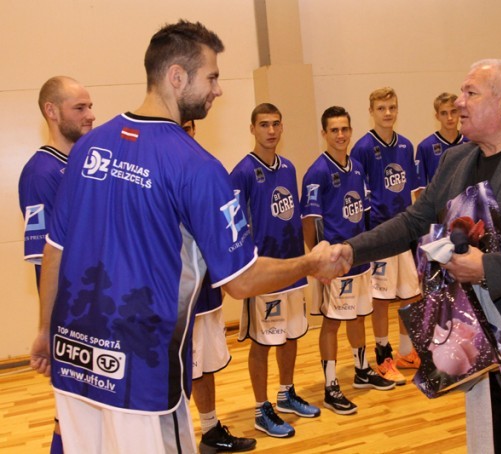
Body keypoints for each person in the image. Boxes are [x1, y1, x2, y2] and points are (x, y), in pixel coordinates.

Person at [29, 20, 342, 453]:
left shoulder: (88, 147)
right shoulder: (198, 167)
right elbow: (242, 280)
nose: (218, 90)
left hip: (75, 362)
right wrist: (311, 263)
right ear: (177, 76)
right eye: (211, 77)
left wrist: (45, 330)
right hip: (142, 378)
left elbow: (55, 249)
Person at [331, 59, 501, 453]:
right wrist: (350, 250)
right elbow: (413, 221)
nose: (459, 102)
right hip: (472, 335)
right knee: (497, 442)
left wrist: (487, 268)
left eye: (470, 93)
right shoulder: (456, 160)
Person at [231, 103, 320, 439]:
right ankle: (260, 409)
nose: (271, 130)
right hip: (263, 273)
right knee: (262, 342)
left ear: (282, 127)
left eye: (276, 124)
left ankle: (286, 393)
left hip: (291, 266)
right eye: (264, 124)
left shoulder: (289, 168)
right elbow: (235, 225)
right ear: (252, 128)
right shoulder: (241, 172)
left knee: (291, 334)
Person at [301, 106, 395, 415]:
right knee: (332, 322)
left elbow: (365, 213)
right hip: (334, 264)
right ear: (324, 133)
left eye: (345, 129)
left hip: (358, 259)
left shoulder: (356, 167)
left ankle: (361, 370)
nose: (340, 135)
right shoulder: (317, 173)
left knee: (358, 316)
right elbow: (310, 222)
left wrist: (366, 250)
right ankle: (330, 387)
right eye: (334, 130)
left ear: (351, 131)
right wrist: (319, 260)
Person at [18, 75, 95, 454]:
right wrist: (48, 328)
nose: (90, 115)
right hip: (73, 316)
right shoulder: (40, 173)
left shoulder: (84, 164)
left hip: (100, 308)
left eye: (90, 106)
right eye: (79, 107)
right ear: (51, 111)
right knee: (72, 414)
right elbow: (47, 257)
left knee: (90, 414)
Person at [183, 120, 256, 453]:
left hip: (207, 290)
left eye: (189, 127)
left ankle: (210, 430)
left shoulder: (207, 170)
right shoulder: (157, 175)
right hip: (176, 297)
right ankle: (175, 438)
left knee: (206, 364)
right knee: (180, 370)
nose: (186, 133)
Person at [349, 87, 423, 385]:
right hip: (379, 234)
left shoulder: (406, 146)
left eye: (392, 107)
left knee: (411, 293)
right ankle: (383, 356)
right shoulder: (362, 149)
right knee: (380, 299)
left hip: (404, 232)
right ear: (371, 111)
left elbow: (413, 191)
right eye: (381, 108)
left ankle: (407, 352)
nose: (388, 113)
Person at [416, 92, 467, 185]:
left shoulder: (471, 143)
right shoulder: (425, 147)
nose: (449, 118)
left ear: (459, 112)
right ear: (437, 116)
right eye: (444, 113)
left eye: (453, 111)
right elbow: (420, 188)